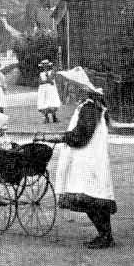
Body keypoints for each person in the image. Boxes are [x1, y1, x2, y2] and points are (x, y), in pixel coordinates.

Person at [38, 66, 116, 249]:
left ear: (82, 88)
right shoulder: (88, 106)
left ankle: (105, 236)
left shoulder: (89, 108)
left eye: (72, 87)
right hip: (88, 158)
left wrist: (61, 137)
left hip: (88, 160)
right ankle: (105, 235)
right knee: (94, 196)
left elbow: (81, 136)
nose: (69, 90)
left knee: (90, 198)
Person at [36, 59, 61, 123]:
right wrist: (46, 81)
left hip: (50, 89)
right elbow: (40, 82)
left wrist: (47, 77)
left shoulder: (52, 72)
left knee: (51, 101)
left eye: (46, 65)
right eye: (44, 66)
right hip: (43, 90)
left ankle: (54, 117)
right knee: (44, 102)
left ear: (48, 66)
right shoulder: (41, 73)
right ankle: (46, 118)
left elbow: (51, 81)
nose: (45, 67)